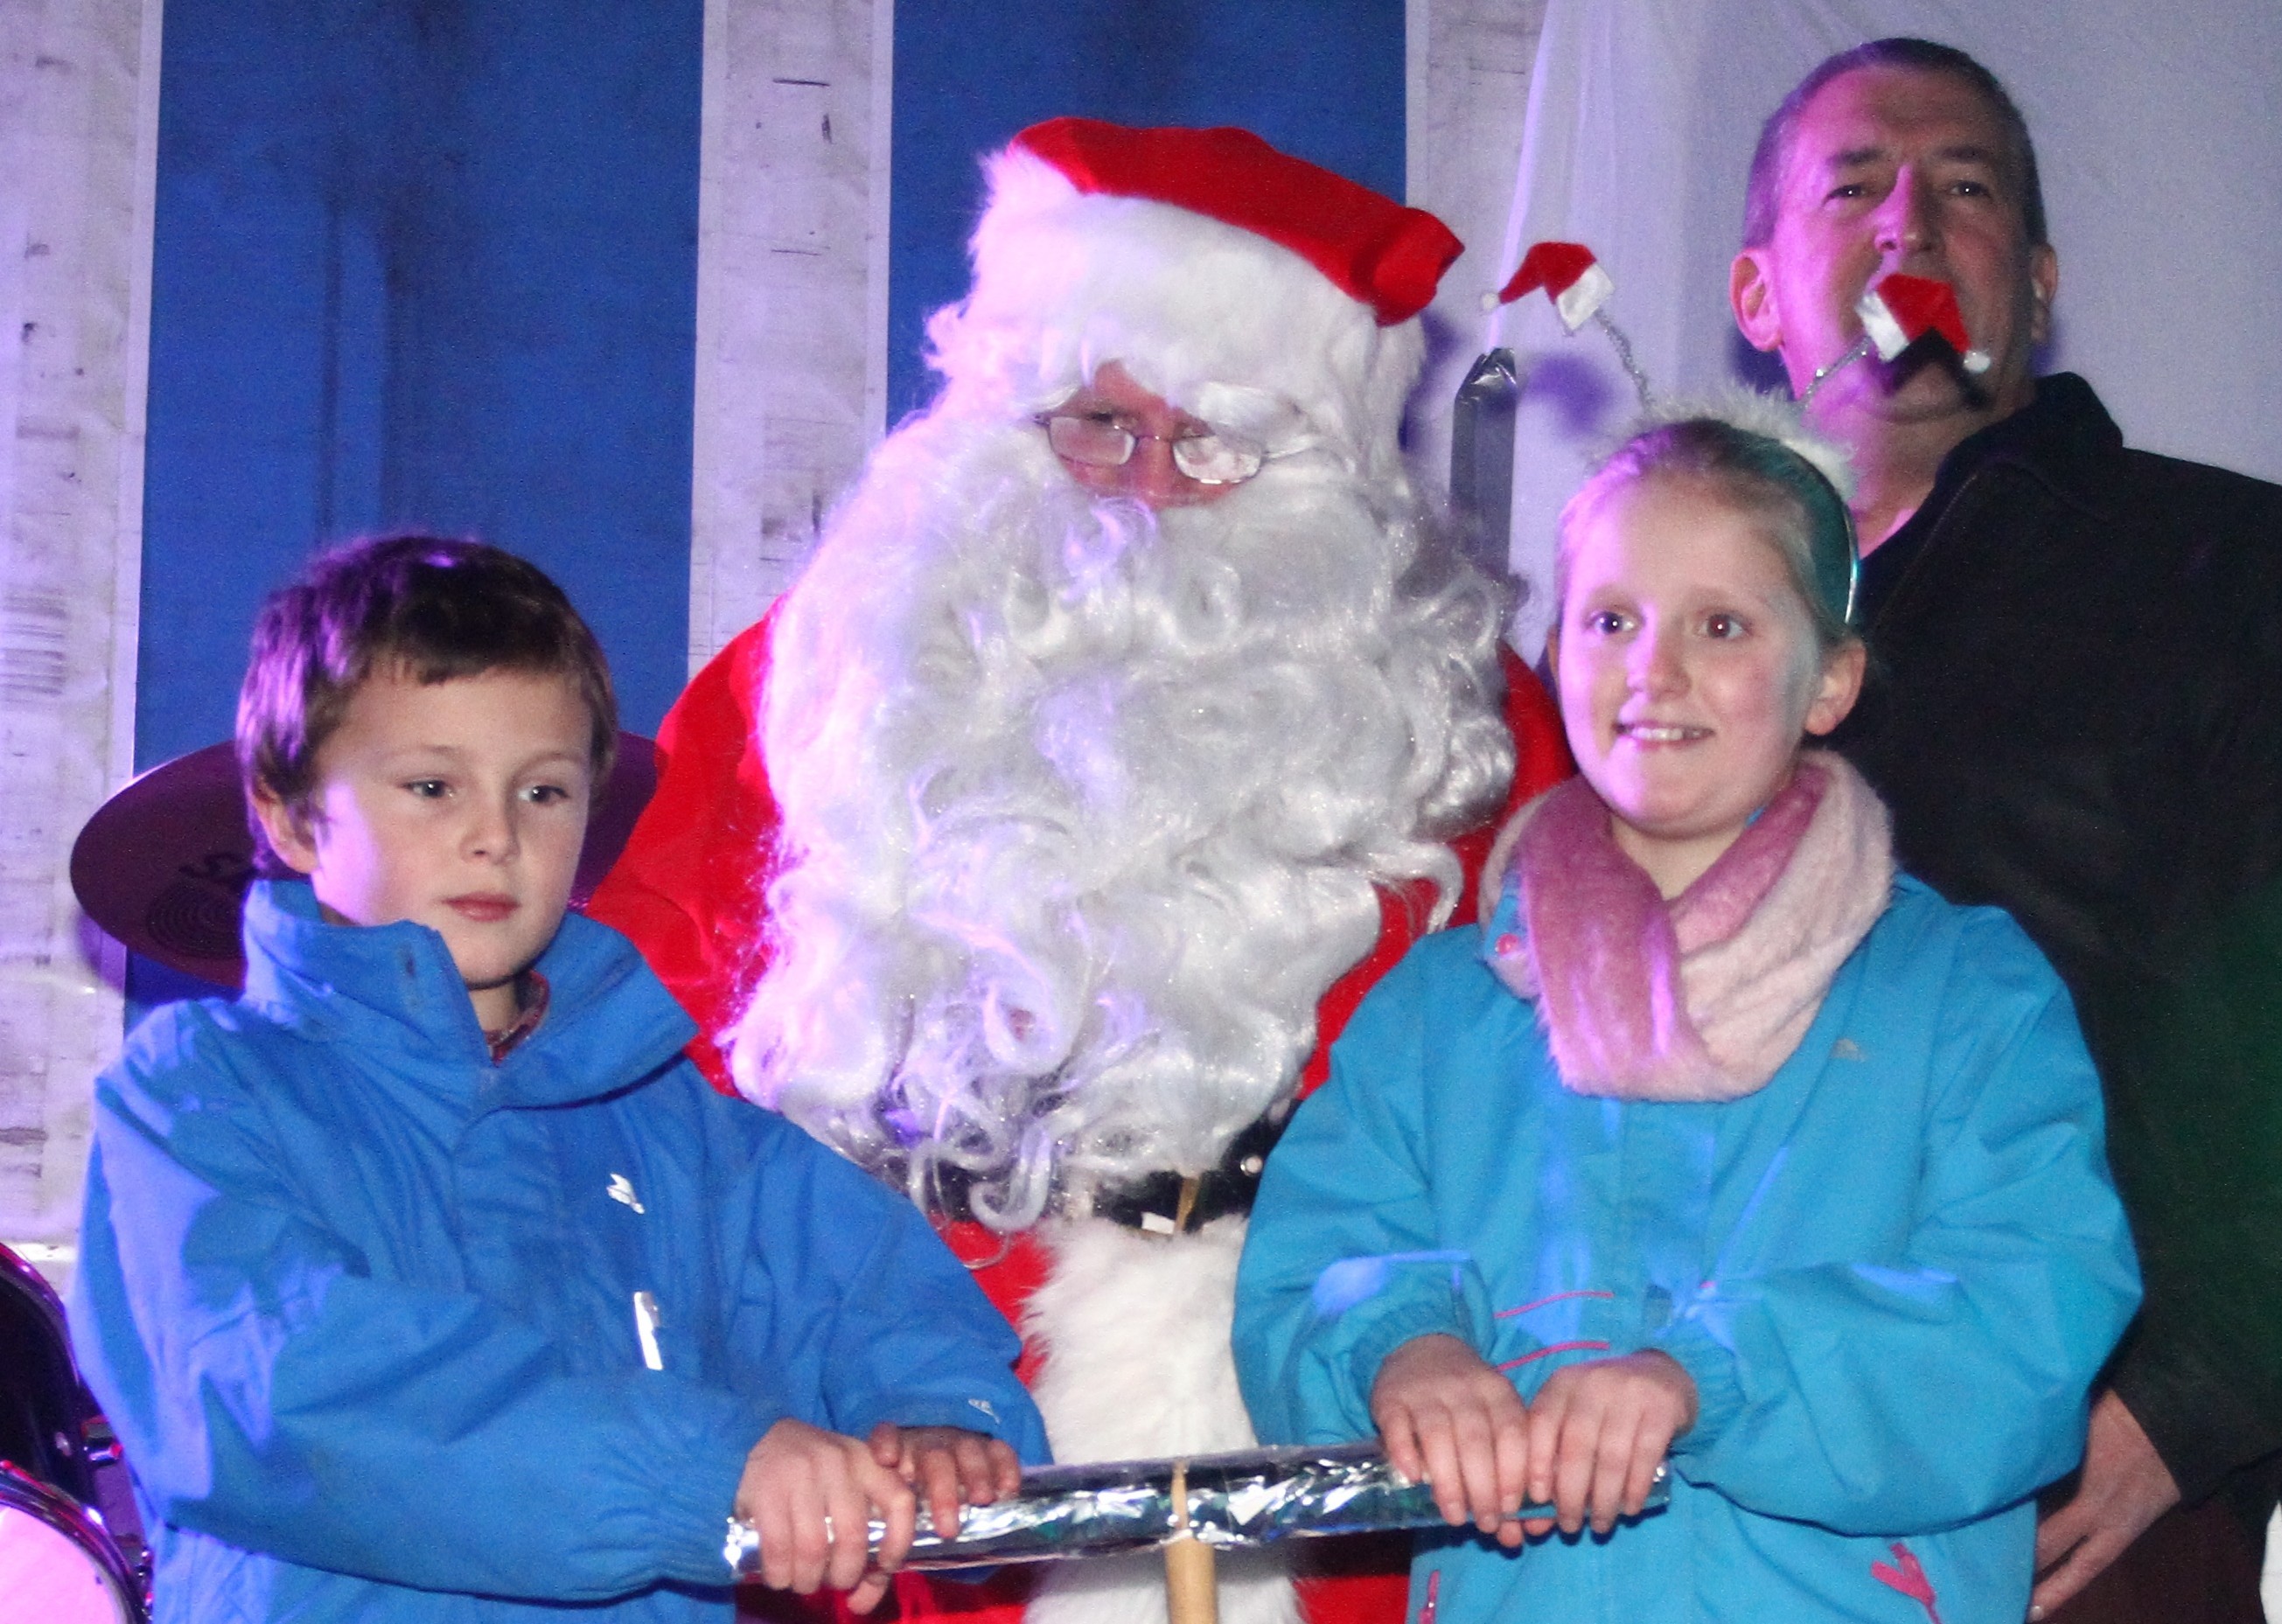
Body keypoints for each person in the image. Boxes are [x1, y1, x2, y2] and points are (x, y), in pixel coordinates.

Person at [585, 118, 1572, 1624]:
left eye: (1216, 443)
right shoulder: (826, 684)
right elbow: (626, 1093)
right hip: (920, 1451)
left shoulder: (1481, 730)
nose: (1146, 495)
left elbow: (1615, 1120)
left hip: (1349, 1443)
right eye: (1096, 428)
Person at [1232, 404, 2140, 1623]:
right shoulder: (1436, 1016)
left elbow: (2029, 1311)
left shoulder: (1962, 994)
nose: (1653, 671)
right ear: (1557, 659)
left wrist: (1711, 1375)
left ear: (1830, 680)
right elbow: (1312, 1267)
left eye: (1721, 624)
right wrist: (1404, 1351)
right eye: (1612, 620)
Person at [66, 536, 1047, 1624]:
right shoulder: (199, 1093)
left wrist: (937, 1430)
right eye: (431, 786)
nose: (495, 836)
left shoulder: (684, 1128)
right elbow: (288, 1390)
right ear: (292, 817)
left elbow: (866, 1294)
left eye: (542, 791)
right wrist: (706, 1469)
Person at [1727, 38, 2282, 1620]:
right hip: (1717, 1483)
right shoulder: (1671, 637)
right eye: (1851, 187)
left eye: (1961, 186)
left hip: (2064, 1496)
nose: (1906, 223)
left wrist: (2185, 1399)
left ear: (2030, 285)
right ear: (1756, 294)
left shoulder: (2221, 568)